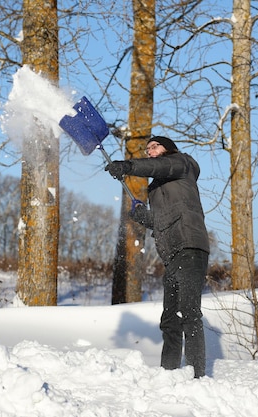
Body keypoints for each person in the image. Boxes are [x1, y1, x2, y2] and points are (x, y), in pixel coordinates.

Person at [105, 135, 210, 378]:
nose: (150, 151)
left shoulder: (182, 163)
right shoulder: (157, 187)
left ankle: (197, 377)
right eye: (147, 148)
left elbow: (158, 166)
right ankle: (169, 373)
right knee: (170, 319)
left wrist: (128, 166)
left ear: (169, 149)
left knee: (189, 312)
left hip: (190, 246)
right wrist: (143, 216)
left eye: (155, 146)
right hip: (171, 254)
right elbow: (163, 219)